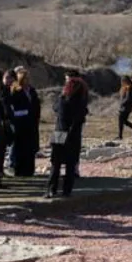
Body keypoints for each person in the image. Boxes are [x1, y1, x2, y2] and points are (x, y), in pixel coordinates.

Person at [48, 70, 90, 198]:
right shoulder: (81, 104)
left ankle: (51, 189)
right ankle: (67, 191)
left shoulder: (62, 100)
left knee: (55, 164)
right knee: (70, 165)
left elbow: (55, 108)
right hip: (74, 135)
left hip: (59, 132)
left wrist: (62, 95)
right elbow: (83, 114)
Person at [9, 67, 41, 176]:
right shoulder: (15, 90)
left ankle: (29, 170)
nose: (27, 81)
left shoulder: (32, 91)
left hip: (31, 123)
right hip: (20, 123)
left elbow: (36, 104)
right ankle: (18, 169)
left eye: (28, 78)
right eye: (25, 78)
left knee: (30, 147)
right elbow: (12, 106)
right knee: (19, 147)